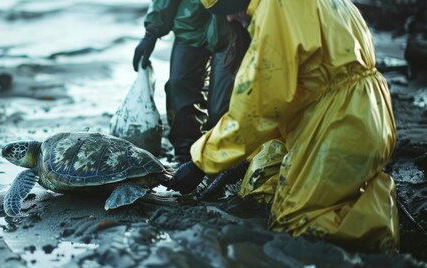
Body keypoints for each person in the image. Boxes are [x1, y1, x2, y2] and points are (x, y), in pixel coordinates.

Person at [167, 0, 400, 253]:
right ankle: (352, 191)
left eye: (229, 11)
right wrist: (240, 162)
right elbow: (283, 101)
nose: (231, 20)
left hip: (341, 122)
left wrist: (200, 162)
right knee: (258, 184)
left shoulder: (276, 6)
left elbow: (257, 108)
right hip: (362, 111)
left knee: (297, 224)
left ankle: (377, 230)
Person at [133, 0, 233, 164]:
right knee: (177, 86)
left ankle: (225, 157)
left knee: (222, 105)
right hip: (190, 26)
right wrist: (151, 32)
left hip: (233, 27)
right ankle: (186, 156)